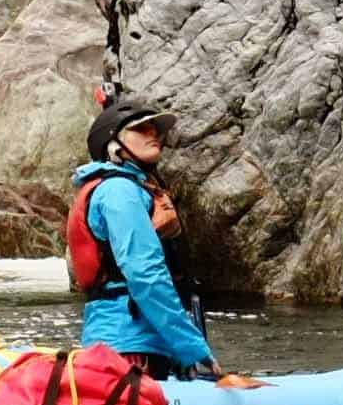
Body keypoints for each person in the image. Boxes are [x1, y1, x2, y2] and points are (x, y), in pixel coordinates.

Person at [69, 98, 262, 388]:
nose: (154, 134)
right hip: (128, 348)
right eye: (142, 129)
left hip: (137, 341)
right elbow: (146, 277)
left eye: (156, 129)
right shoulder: (119, 192)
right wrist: (193, 349)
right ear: (112, 143)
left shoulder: (132, 188)